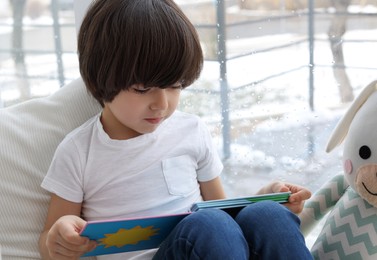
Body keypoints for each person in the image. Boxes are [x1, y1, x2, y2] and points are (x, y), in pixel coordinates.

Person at [38, 0, 313, 259]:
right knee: (208, 225)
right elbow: (48, 237)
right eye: (143, 89)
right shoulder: (79, 151)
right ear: (101, 80)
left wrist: (266, 195)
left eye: (175, 85)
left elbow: (222, 210)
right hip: (181, 245)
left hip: (211, 244)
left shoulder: (191, 131)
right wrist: (60, 236)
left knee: (267, 215)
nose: (161, 104)